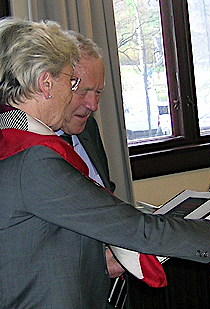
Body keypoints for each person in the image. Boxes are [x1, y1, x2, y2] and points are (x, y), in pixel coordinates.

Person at [0, 17, 210, 309]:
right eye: (70, 81)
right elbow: (133, 227)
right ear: (46, 83)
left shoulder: (12, 139)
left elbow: (40, 243)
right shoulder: (34, 158)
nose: (76, 94)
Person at [56, 31, 124, 281]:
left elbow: (106, 194)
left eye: (98, 92)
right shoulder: (32, 148)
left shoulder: (88, 129)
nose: (93, 105)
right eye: (83, 91)